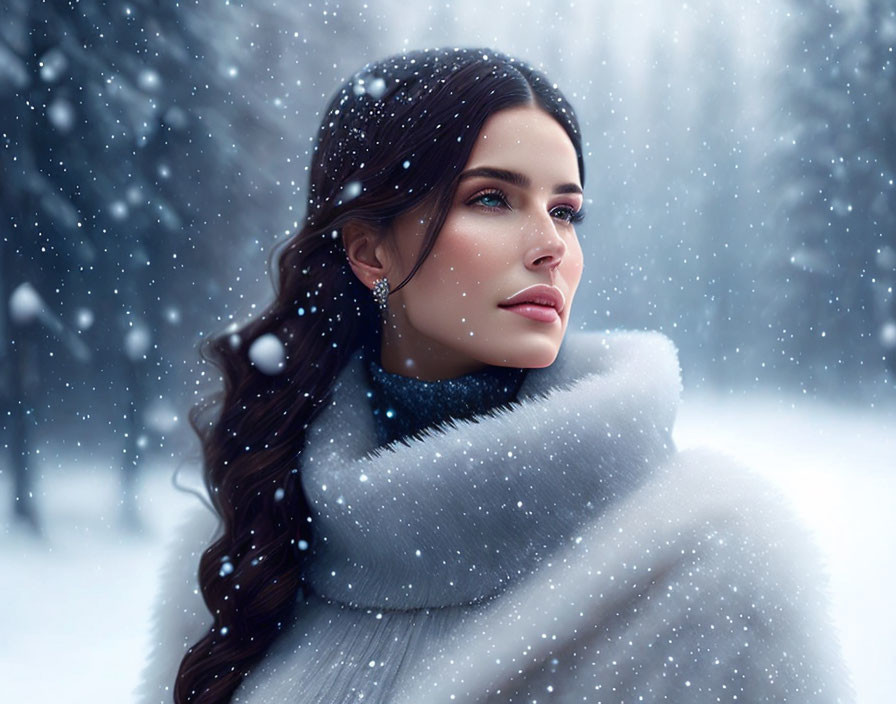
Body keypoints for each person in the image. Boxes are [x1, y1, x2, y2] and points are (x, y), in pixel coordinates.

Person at [138, 47, 851, 704]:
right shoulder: (249, 547)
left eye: (565, 211)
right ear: (370, 253)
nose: (551, 247)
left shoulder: (710, 569)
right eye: (492, 199)